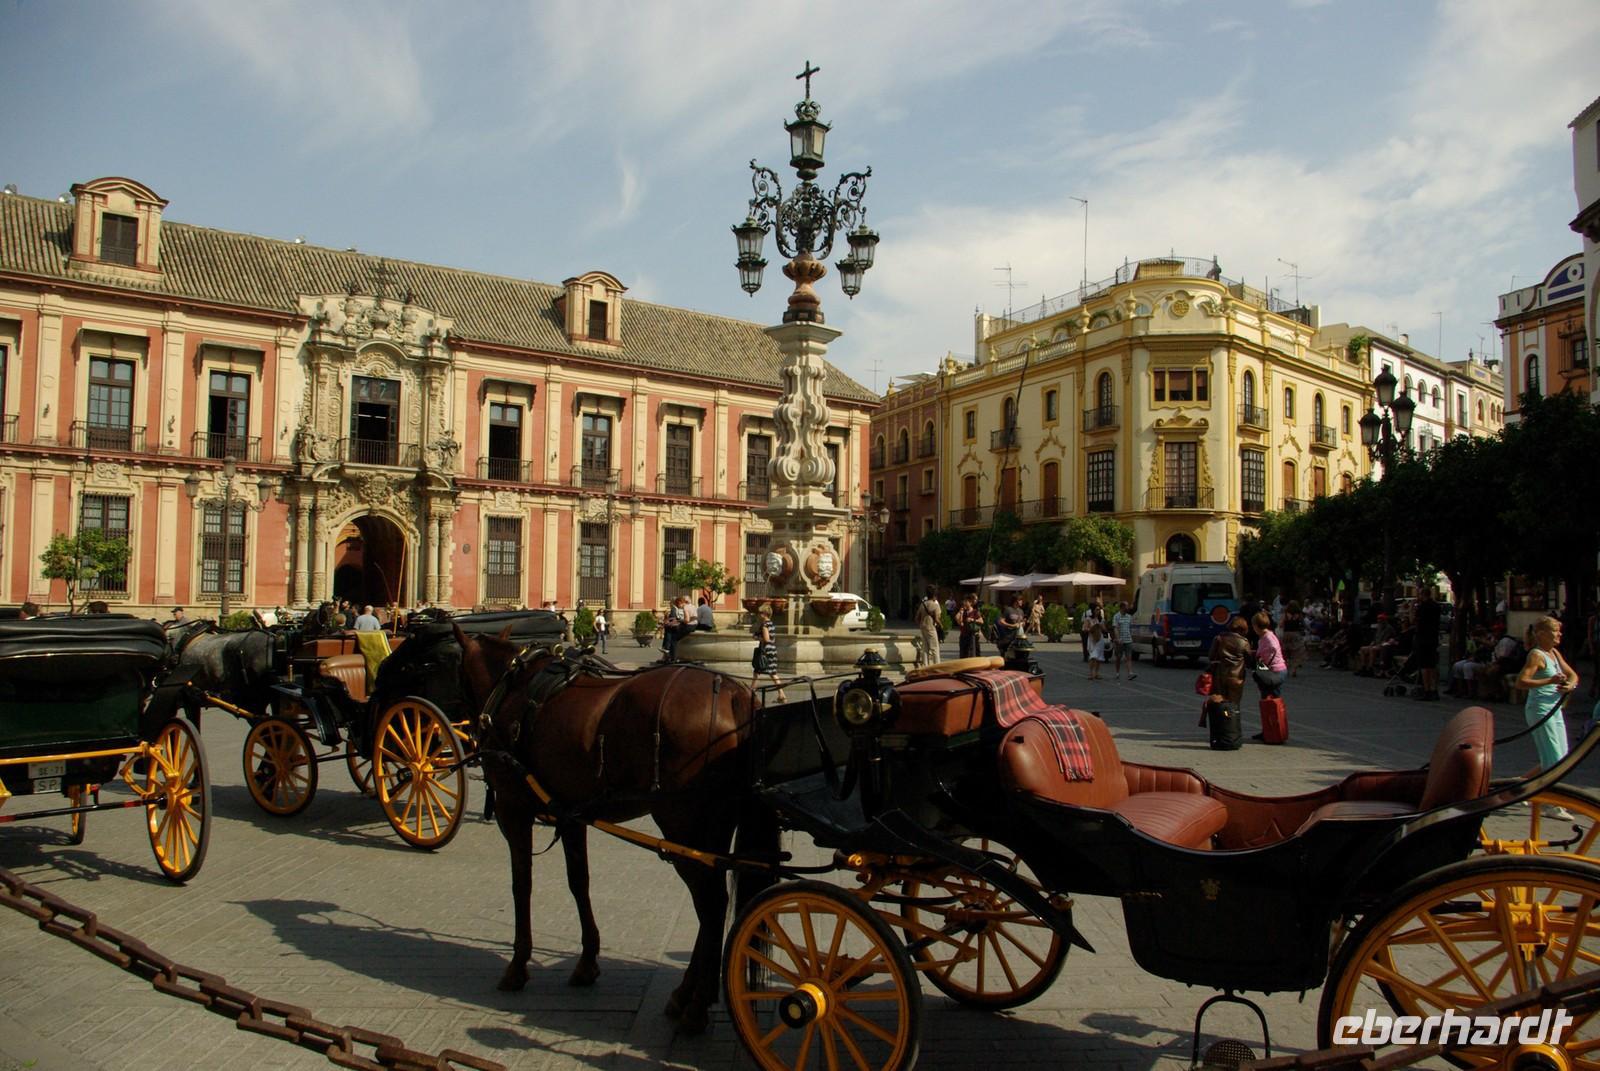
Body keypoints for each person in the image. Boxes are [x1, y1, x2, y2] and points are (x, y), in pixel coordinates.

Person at [1518, 616, 1580, 773]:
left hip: (1555, 709)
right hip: (1541, 709)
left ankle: (1518, 785)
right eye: (1555, 631)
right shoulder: (1536, 655)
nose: (1560, 634)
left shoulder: (1554, 653)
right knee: (1553, 761)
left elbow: (1572, 675)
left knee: (1561, 758)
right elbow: (1521, 682)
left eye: (1560, 631)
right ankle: (1536, 787)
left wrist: (1570, 685)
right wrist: (1550, 681)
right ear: (1542, 634)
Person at [1250, 610, 1287, 740]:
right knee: (1269, 703)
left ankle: (1274, 731)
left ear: (1256, 626)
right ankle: (1269, 730)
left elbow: (1269, 652)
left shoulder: (1267, 638)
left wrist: (1259, 660)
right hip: (1276, 671)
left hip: (1274, 673)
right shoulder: (1267, 636)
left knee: (1271, 703)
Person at [750, 608, 786, 702]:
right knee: (772, 673)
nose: (758, 614)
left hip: (765, 651)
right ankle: (781, 695)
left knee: (757, 672)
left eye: (760, 612)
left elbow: (766, 639)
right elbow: (772, 638)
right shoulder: (771, 624)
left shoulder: (765, 625)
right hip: (772, 650)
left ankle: (751, 693)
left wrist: (757, 637)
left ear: (764, 614)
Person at [1413, 589, 1441, 701]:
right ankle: (1434, 689)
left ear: (1422, 595)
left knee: (1424, 665)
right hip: (1433, 637)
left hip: (1423, 637)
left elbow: (1413, 620)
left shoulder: (1422, 607)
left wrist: (1411, 608)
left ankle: (1427, 690)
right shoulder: (1436, 606)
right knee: (1433, 664)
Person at [914, 587, 942, 667]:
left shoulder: (922, 604)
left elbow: (916, 618)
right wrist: (941, 625)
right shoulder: (935, 605)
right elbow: (937, 619)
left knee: (925, 648)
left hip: (923, 627)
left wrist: (921, 623)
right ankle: (937, 666)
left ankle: (925, 666)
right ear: (934, 595)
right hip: (931, 628)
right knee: (935, 648)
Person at [1111, 600, 1136, 681]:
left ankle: (1130, 673)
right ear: (1122, 607)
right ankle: (1117, 672)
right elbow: (1115, 628)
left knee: (1129, 657)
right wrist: (1118, 639)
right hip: (1120, 641)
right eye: (1126, 606)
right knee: (1118, 657)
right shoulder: (1116, 616)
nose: (1128, 608)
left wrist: (1132, 637)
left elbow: (1130, 628)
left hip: (1128, 640)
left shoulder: (1129, 617)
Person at [1280, 600, 1306, 677]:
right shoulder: (1299, 615)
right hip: (1296, 634)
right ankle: (1294, 669)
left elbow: (1281, 624)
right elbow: (1303, 624)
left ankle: (1287, 667)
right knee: (1297, 652)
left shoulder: (1285, 614)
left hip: (1286, 634)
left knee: (1286, 652)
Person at [957, 594, 983, 658]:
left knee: (971, 653)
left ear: (970, 603)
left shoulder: (975, 611)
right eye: (964, 601)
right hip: (963, 635)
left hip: (971, 635)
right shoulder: (963, 611)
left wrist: (972, 620)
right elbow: (960, 623)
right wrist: (961, 614)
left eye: (966, 601)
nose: (964, 603)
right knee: (962, 654)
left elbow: (981, 621)